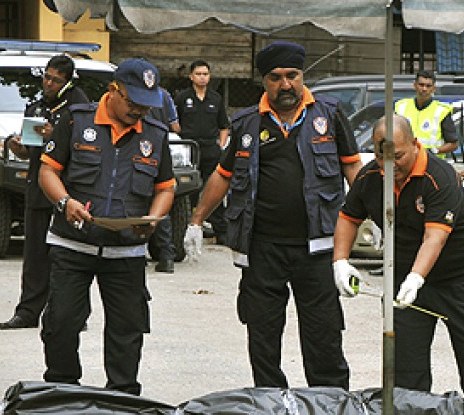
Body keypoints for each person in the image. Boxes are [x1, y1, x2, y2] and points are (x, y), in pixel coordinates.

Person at [334, 115, 464, 415]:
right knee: (404, 353)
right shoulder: (370, 177)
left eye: (399, 156)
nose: (391, 165)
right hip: (405, 268)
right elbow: (348, 217)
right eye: (382, 157)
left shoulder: (439, 176)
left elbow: (435, 236)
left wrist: (416, 278)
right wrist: (340, 261)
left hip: (462, 272)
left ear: (415, 145)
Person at [188, 42, 361, 389]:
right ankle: (272, 408)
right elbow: (222, 175)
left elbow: (353, 168)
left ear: (302, 76)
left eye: (292, 76)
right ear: (263, 81)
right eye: (276, 78)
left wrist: (370, 215)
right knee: (263, 334)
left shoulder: (329, 115)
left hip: (319, 246)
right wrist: (196, 221)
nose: (285, 85)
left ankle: (330, 407)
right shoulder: (247, 123)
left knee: (323, 333)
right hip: (262, 247)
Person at [37, 58, 175, 395]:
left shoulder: (154, 135)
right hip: (73, 244)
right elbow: (48, 171)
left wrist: (153, 220)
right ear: (114, 90)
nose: (139, 110)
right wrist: (65, 203)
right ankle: (62, 388)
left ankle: (122, 396)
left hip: (126, 249)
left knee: (128, 328)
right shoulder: (76, 118)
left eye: (147, 104)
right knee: (62, 322)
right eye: (133, 102)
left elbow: (165, 187)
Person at [0, 55, 89, 330]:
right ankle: (28, 312)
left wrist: (55, 134)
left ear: (68, 81)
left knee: (68, 255)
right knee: (35, 253)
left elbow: (84, 146)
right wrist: (19, 147)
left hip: (68, 191)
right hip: (39, 189)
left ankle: (72, 314)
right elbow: (30, 149)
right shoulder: (38, 105)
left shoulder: (79, 106)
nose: (48, 83)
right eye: (46, 77)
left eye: (55, 80)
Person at [174, 59, 229, 243]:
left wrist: (221, 145)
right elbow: (175, 124)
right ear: (191, 77)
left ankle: (221, 231)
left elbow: (223, 125)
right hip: (189, 149)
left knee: (214, 189)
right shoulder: (182, 97)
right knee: (189, 191)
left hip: (210, 150)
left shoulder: (216, 98)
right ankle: (185, 229)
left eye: (205, 74)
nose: (202, 77)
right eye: (198, 74)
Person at [148, 85, 180, 274]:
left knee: (133, 201)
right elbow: (175, 125)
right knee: (162, 202)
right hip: (160, 149)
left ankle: (136, 252)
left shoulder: (124, 92)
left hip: (133, 149)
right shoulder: (164, 94)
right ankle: (166, 255)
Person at [394, 70, 458, 157]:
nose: (424, 89)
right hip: (406, 162)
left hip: (431, 164)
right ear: (415, 86)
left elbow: (453, 144)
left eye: (428, 86)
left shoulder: (441, 111)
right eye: (421, 85)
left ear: (433, 89)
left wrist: (434, 151)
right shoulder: (401, 107)